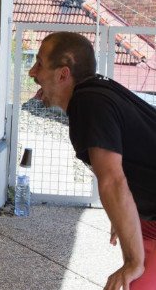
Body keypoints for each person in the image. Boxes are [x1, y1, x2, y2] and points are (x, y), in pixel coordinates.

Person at [29, 31, 156, 290]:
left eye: (39, 63)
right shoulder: (97, 92)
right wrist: (122, 215)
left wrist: (133, 261)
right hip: (151, 216)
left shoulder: (88, 103)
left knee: (137, 277)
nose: (32, 73)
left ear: (63, 74)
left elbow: (112, 180)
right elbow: (132, 160)